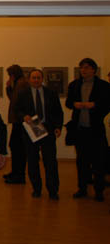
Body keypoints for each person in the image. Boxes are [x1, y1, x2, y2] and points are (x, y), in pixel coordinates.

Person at [65, 58, 110, 201]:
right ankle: (82, 188)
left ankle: (99, 191)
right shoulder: (74, 85)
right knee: (81, 161)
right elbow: (68, 103)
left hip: (96, 129)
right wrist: (75, 104)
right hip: (80, 129)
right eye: (81, 67)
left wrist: (94, 105)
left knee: (98, 161)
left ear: (93, 70)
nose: (83, 70)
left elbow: (107, 104)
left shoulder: (103, 86)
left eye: (86, 67)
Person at [16, 69, 63, 200]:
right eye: (33, 78)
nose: (36, 80)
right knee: (32, 161)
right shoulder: (23, 94)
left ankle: (53, 190)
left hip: (48, 129)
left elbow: (58, 111)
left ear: (42, 79)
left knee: (50, 162)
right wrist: (23, 116)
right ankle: (36, 189)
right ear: (29, 79)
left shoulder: (51, 93)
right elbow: (17, 110)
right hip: (31, 130)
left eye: (38, 78)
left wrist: (58, 127)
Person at [3, 64, 29, 184]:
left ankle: (18, 175)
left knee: (18, 148)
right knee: (15, 146)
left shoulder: (21, 84)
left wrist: (10, 87)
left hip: (20, 121)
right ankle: (15, 172)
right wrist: (9, 88)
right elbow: (13, 98)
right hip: (18, 120)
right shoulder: (19, 83)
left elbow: (17, 101)